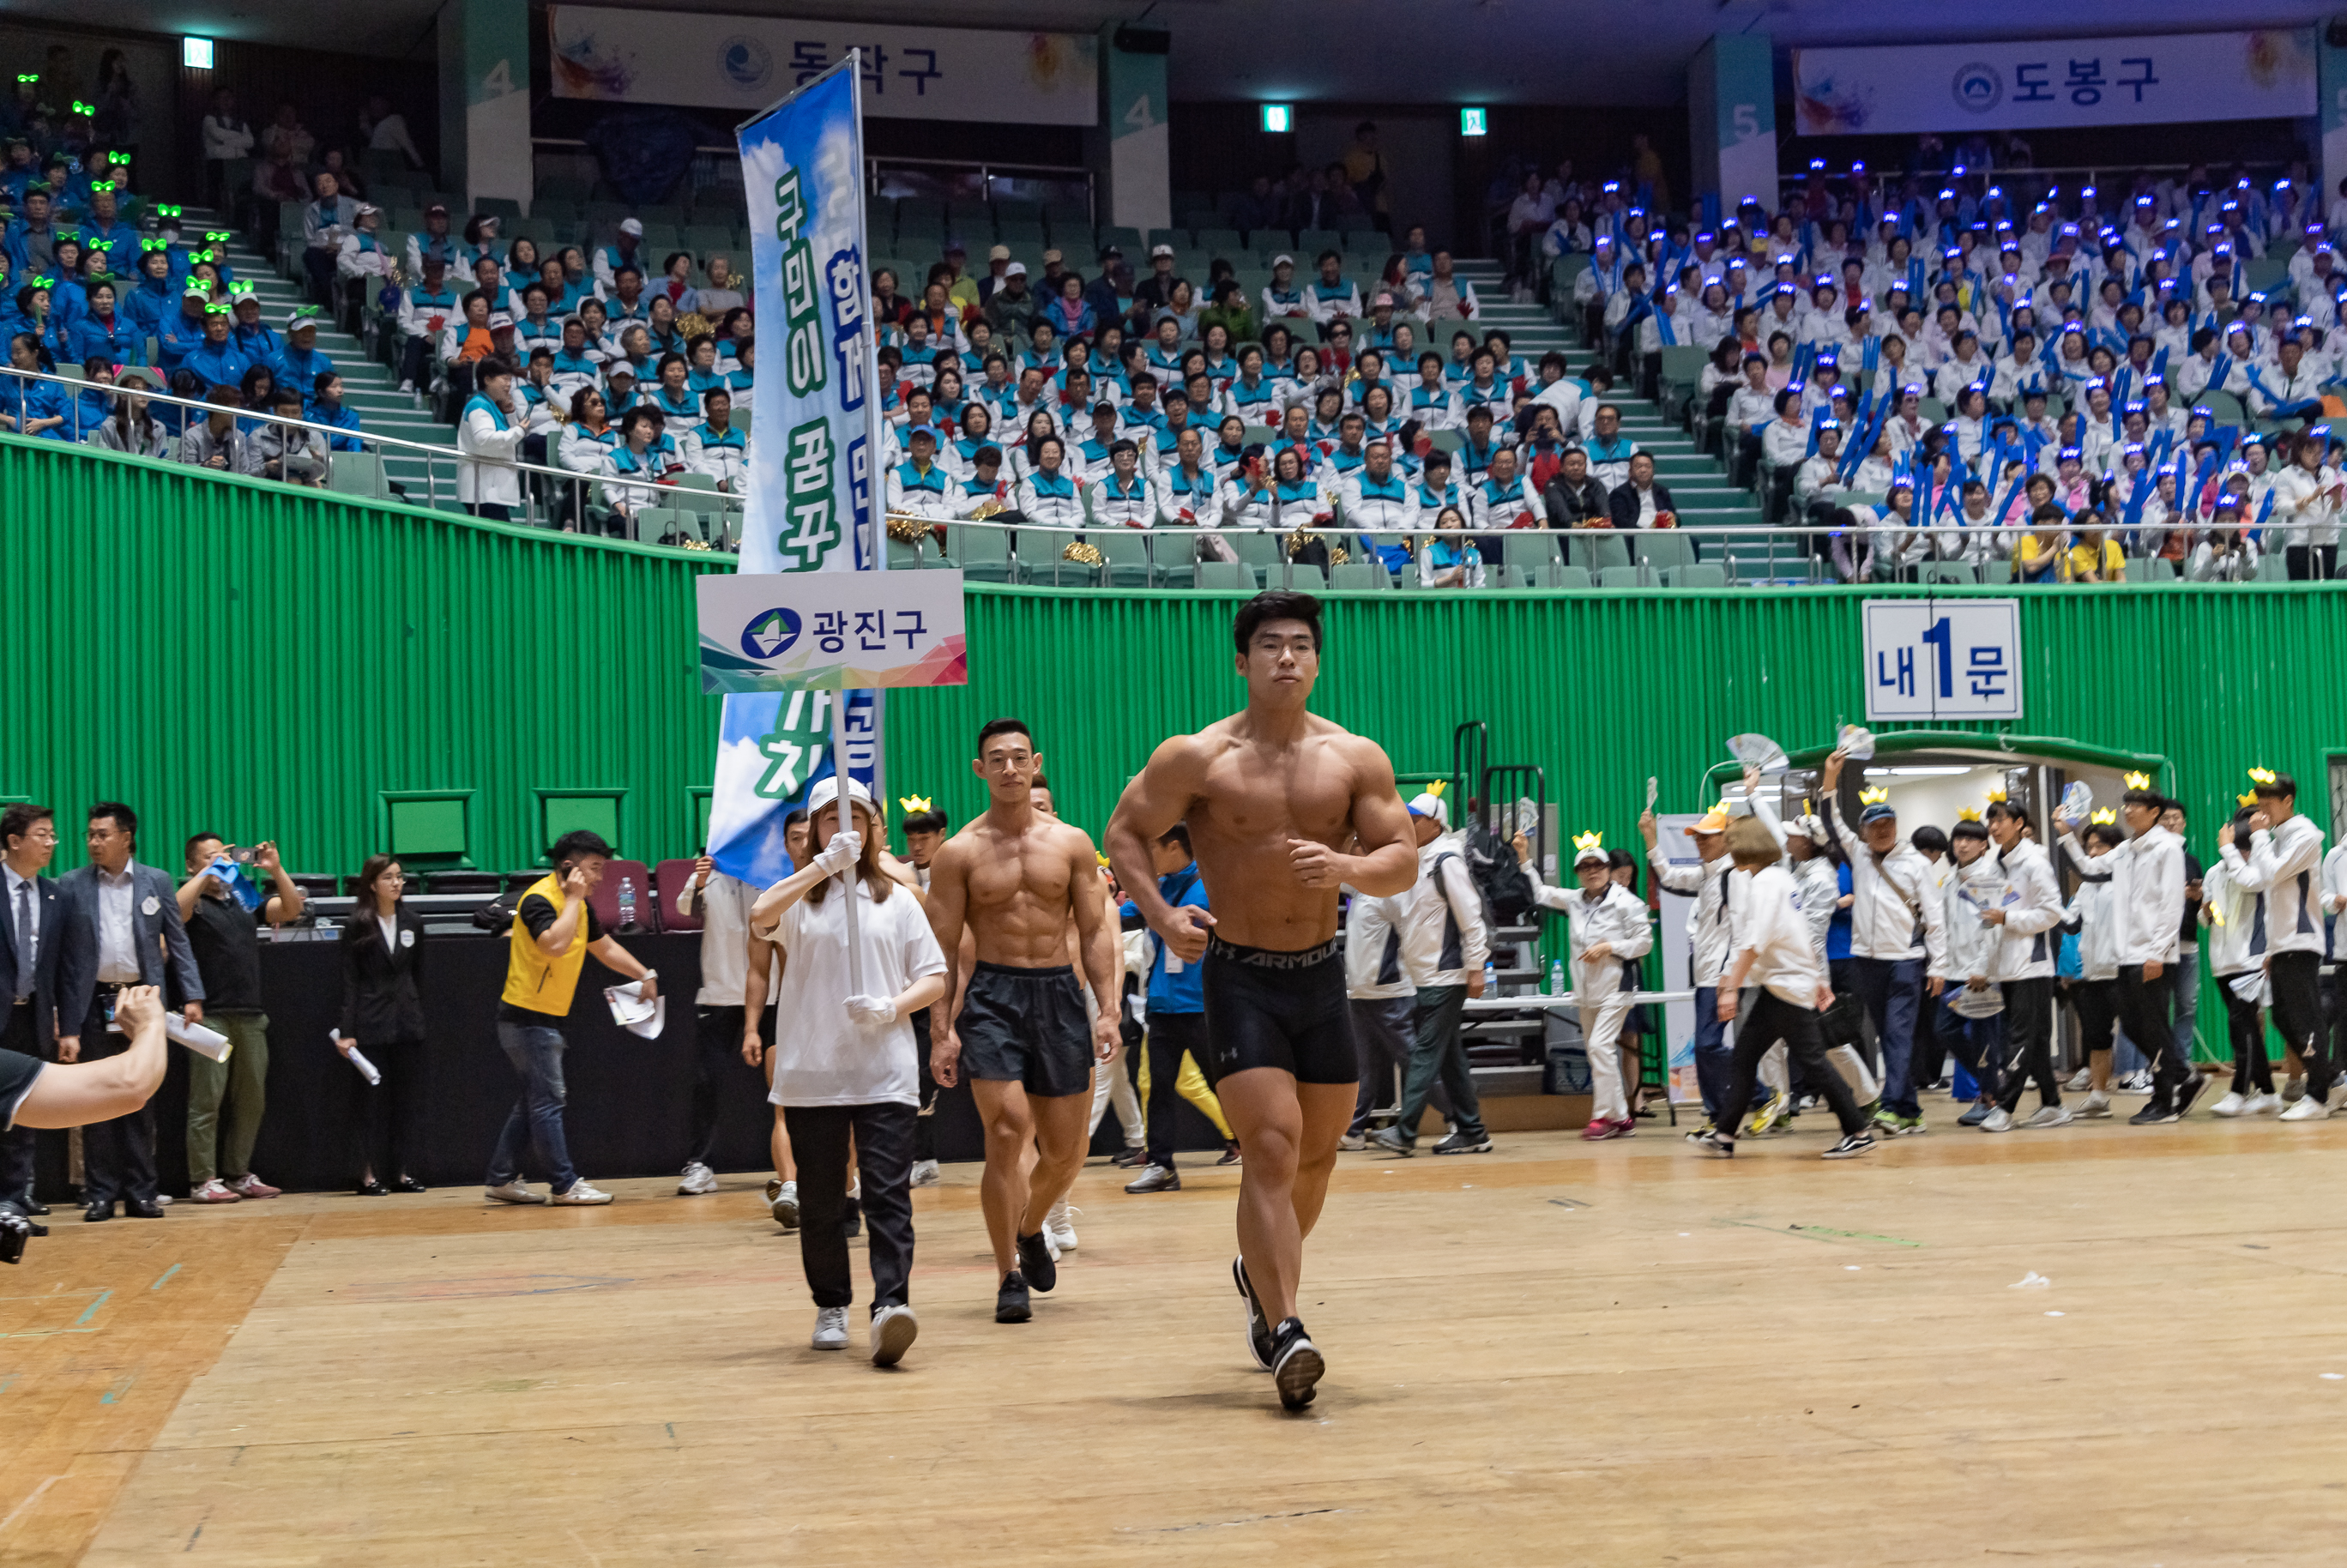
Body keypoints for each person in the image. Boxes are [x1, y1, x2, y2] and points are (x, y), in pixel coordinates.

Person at [1105, 591, 1418, 1412]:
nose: (1287, 657)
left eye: (1301, 645)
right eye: (1271, 644)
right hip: (1239, 975)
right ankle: (1286, 1328)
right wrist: (1162, 916)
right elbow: (1124, 832)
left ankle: (1258, 1273)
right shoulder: (1199, 757)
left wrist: (1346, 869)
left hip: (1321, 975)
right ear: (1242, 662)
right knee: (1272, 1149)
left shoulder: (1354, 758)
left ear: (1317, 662)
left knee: (1318, 1156)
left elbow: (1401, 857)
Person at [923, 720, 1121, 1325]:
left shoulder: (1072, 844)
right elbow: (942, 947)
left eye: (1018, 758)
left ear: (1035, 763)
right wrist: (941, 1030)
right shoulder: (959, 853)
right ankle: (1008, 1273)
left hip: (1059, 993)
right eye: (996, 759)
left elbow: (1094, 931)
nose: (1009, 768)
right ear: (979, 770)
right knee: (1007, 1133)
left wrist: (1108, 1009)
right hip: (993, 996)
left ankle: (1032, 1228)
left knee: (1066, 1152)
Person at [749, 777, 946, 1366]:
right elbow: (760, 917)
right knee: (821, 1200)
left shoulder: (898, 900)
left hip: (884, 1070)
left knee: (888, 1194)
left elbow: (934, 976)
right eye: (831, 820)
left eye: (855, 818)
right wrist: (820, 869)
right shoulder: (797, 899)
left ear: (872, 828)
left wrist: (892, 1007)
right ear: (815, 831)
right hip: (814, 1072)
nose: (844, 829)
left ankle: (891, 1306)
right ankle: (831, 1302)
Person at [485, 829, 660, 1206]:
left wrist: (644, 973)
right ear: (569, 866)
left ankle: (501, 1177)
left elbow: (604, 947)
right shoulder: (538, 900)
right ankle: (564, 1185)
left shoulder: (578, 906)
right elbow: (554, 944)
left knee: (534, 1100)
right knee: (549, 1101)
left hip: (547, 1017)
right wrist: (574, 899)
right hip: (526, 1017)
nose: (600, 877)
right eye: (594, 868)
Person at [56, 803, 205, 1222]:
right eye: (90, 835)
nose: (93, 842)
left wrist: (192, 995)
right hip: (91, 1002)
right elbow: (60, 955)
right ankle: (100, 1194)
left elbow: (178, 942)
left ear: (126, 837)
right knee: (97, 1099)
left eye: (102, 834)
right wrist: (63, 1017)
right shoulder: (71, 884)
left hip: (142, 1001)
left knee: (140, 1097)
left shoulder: (157, 881)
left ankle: (142, 1193)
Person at [1694, 818, 1876, 1160]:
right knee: (1745, 1057)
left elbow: (1755, 941)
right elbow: (1800, 933)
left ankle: (1858, 1131)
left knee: (1813, 1062)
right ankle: (1725, 1133)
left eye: (1731, 843)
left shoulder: (1765, 883)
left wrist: (1731, 986)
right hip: (1784, 985)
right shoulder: (1781, 879)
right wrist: (1817, 978)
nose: (1729, 850)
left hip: (1786, 987)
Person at [1818, 749, 1948, 1134]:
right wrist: (1830, 777)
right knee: (1885, 1034)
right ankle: (1910, 1111)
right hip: (1865, 962)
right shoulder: (1858, 855)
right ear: (1863, 833)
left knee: (1897, 1034)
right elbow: (1830, 821)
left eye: (1889, 824)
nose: (1883, 830)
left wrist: (1939, 965)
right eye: (1875, 826)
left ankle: (1890, 1106)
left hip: (1905, 961)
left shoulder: (1916, 864)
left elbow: (1935, 919)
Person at [2057, 781, 2197, 1124]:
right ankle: (2184, 1076)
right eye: (2127, 805)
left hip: (2152, 955)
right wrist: (2065, 834)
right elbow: (2089, 868)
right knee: (2135, 1027)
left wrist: (2157, 953)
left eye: (2136, 806)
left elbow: (2172, 904)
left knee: (2153, 1026)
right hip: (2126, 956)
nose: (2128, 810)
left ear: (2154, 812)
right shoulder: (2125, 850)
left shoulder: (2167, 849)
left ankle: (2165, 1101)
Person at [176, 833, 304, 1203]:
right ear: (191, 865)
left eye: (223, 855)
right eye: (209, 856)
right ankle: (203, 1180)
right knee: (207, 1101)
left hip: (250, 1012)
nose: (220, 861)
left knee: (251, 1101)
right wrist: (208, 873)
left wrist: (276, 870)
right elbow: (175, 910)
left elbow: (291, 909)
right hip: (209, 1015)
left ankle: (238, 1174)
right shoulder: (194, 902)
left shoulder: (243, 897)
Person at [1367, 790, 1493, 1158]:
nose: (1408, 823)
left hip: (1446, 976)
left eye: (1415, 819)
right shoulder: (1415, 862)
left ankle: (1405, 1132)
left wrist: (1476, 968)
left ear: (1436, 824)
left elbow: (1471, 918)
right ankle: (1473, 1131)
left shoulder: (1447, 861)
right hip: (1425, 977)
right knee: (1450, 1059)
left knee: (1424, 1053)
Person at [1120, 824, 1233, 1192]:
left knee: (1228, 1085)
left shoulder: (1212, 885)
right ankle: (1161, 1166)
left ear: (1173, 846)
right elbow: (1121, 916)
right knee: (1159, 1089)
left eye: (1151, 848)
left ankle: (1262, 1151)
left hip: (1203, 1006)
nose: (1146, 857)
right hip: (1161, 1006)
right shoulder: (1156, 888)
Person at [1522, 832, 1651, 1140]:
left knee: (1599, 1047)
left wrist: (1610, 947)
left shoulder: (1627, 902)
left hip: (1616, 986)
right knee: (1598, 1054)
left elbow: (1644, 942)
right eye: (1585, 866)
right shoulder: (1574, 900)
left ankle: (1603, 1117)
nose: (1592, 871)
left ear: (1608, 869)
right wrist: (1524, 857)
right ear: (1578, 872)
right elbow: (1540, 892)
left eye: (1598, 865)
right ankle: (1622, 1118)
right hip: (1585, 990)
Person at [2218, 770, 2332, 1120]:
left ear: (2288, 801)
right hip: (2282, 943)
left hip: (2301, 940)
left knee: (2305, 1018)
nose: (2261, 813)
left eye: (2267, 805)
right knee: (2283, 1017)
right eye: (2259, 806)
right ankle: (2332, 1079)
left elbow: (2269, 874)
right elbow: (2261, 884)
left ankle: (2318, 1096)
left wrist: (2259, 836)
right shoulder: (2278, 836)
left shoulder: (2306, 835)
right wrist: (2270, 948)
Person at [675, 847, 781, 1197]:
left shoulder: (770, 872)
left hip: (771, 994)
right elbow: (686, 912)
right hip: (719, 995)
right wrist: (700, 882)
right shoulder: (707, 874)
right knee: (707, 1082)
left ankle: (794, 1165)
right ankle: (700, 1165)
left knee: (784, 1082)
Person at [1975, 798, 2071, 1131]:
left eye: (1999, 820)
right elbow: (1988, 921)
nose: (1993, 827)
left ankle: (2005, 1108)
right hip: (2005, 966)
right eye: (1990, 821)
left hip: (2032, 966)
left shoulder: (2035, 863)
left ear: (2019, 823)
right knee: (2037, 1041)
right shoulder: (1992, 867)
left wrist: (2009, 918)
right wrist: (1983, 965)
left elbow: (2053, 913)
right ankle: (2053, 1105)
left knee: (2019, 1039)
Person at [1641, 799, 1737, 1129]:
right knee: (1704, 1050)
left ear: (1727, 838)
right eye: (1697, 837)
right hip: (1704, 976)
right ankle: (1716, 1115)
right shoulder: (1707, 875)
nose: (1699, 842)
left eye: (1706, 837)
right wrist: (1650, 838)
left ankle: (1760, 1093)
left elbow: (1742, 934)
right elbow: (1668, 877)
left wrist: (1728, 980)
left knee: (1709, 1046)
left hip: (1721, 978)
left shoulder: (1734, 877)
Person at [337, 855, 428, 1194]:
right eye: (388, 877)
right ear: (373, 884)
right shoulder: (357, 925)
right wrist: (347, 1031)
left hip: (406, 1022)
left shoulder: (413, 923)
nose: (396, 883)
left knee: (405, 1101)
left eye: (400, 877)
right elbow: (350, 981)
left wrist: (415, 1012)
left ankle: (401, 1173)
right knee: (369, 1103)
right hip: (369, 1023)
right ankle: (366, 1174)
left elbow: (418, 974)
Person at [0, 805, 64, 1217]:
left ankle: (14, 1198)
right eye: (42, 835)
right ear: (14, 841)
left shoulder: (55, 895)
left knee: (22, 1109)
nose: (50, 843)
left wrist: (66, 1022)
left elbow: (64, 967)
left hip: (31, 1017)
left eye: (52, 835)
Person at [2204, 805, 2282, 1118]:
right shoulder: (2214, 872)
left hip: (2251, 960)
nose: (2243, 853)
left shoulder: (2260, 871)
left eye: (2247, 847)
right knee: (2244, 1025)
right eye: (2238, 847)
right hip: (2222, 961)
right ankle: (2268, 1094)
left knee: (2241, 1024)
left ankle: (2238, 1092)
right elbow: (2208, 916)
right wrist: (2206, 911)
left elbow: (2253, 886)